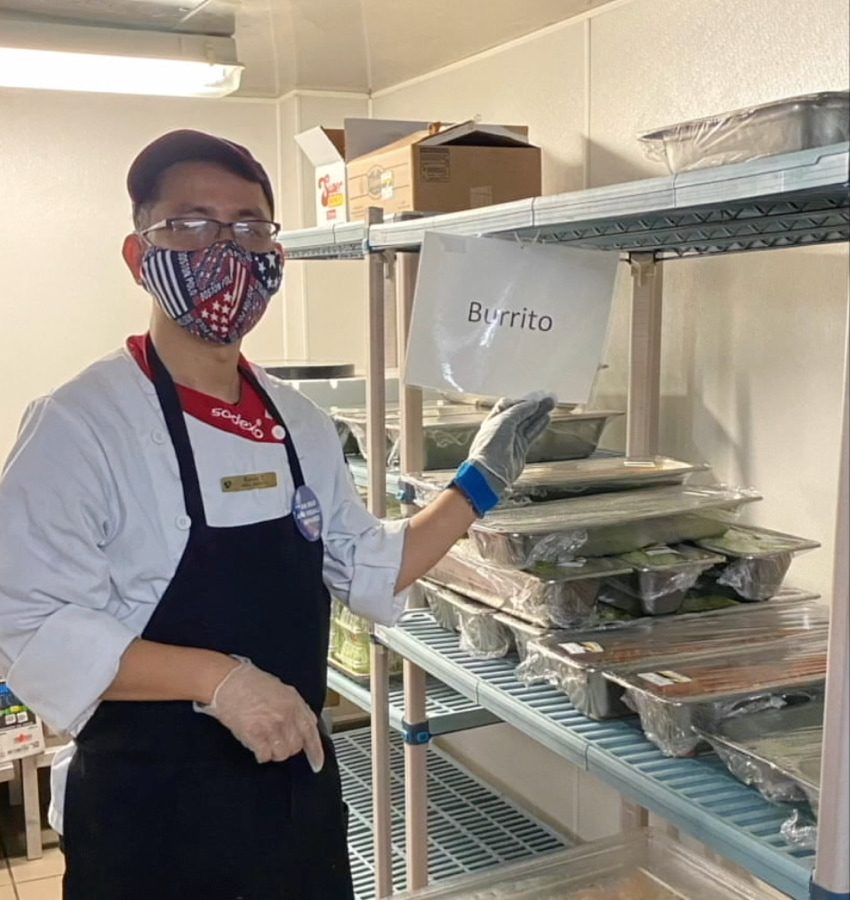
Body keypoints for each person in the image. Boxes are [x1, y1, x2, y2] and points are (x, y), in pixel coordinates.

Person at [0, 129, 554, 900]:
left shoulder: (297, 422)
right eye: (192, 226)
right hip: (149, 826)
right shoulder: (81, 424)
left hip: (290, 807)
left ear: (276, 257)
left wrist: (480, 483)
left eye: (251, 229)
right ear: (139, 257)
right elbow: (26, 624)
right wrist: (218, 679)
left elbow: (370, 567)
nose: (227, 251)